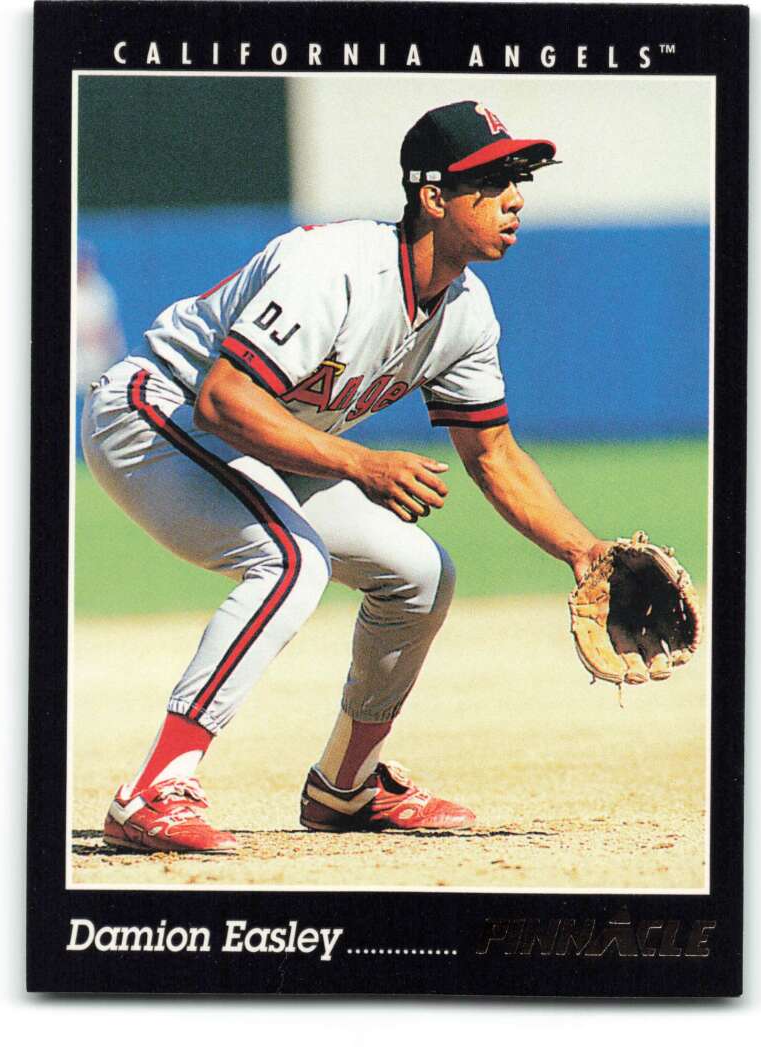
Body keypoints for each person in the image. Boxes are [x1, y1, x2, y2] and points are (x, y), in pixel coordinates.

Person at [82, 100, 612, 853]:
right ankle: (152, 790)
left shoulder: (465, 311)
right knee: (291, 560)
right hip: (154, 411)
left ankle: (345, 785)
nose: (516, 197)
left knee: (420, 573)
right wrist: (362, 463)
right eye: (493, 181)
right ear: (433, 196)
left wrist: (582, 551)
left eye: (518, 179)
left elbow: (493, 454)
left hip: (264, 442)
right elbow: (225, 399)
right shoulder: (334, 267)